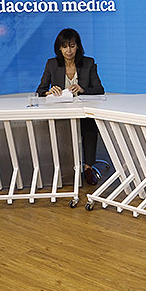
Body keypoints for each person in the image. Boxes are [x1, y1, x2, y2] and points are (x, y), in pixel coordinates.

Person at [36, 28, 104, 185]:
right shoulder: (52, 64)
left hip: (83, 112)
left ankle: (88, 168)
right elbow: (40, 91)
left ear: (78, 46)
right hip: (63, 113)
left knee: (89, 125)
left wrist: (82, 90)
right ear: (59, 48)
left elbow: (99, 89)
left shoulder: (88, 63)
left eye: (72, 46)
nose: (69, 50)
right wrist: (49, 92)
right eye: (65, 46)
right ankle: (67, 169)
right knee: (62, 130)